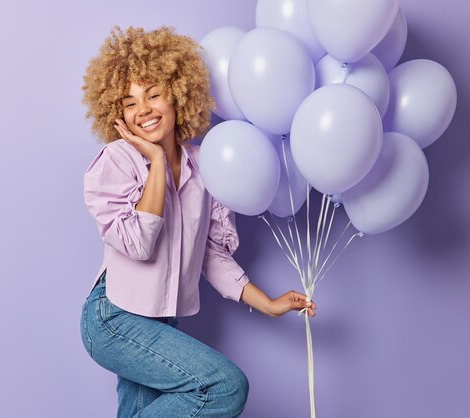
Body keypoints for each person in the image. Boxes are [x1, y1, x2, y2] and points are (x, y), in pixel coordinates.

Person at [79, 26, 316, 418]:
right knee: (222, 387)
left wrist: (270, 304)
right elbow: (139, 243)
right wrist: (156, 162)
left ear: (177, 94)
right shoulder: (118, 161)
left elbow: (212, 257)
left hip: (162, 321)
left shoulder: (206, 166)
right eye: (130, 103)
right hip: (114, 317)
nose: (144, 110)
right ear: (116, 113)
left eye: (153, 94)